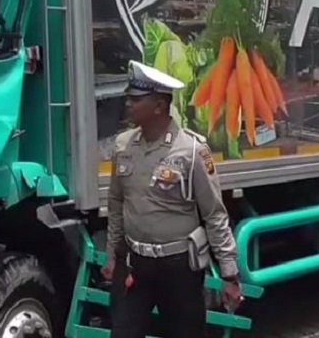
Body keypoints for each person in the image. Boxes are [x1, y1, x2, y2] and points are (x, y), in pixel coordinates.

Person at [103, 60, 243, 338]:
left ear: (159, 106)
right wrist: (111, 256)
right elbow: (117, 203)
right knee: (123, 332)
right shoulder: (123, 146)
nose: (128, 104)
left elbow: (214, 214)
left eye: (136, 99)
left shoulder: (191, 151)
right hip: (135, 263)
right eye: (128, 98)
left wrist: (229, 274)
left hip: (178, 267)